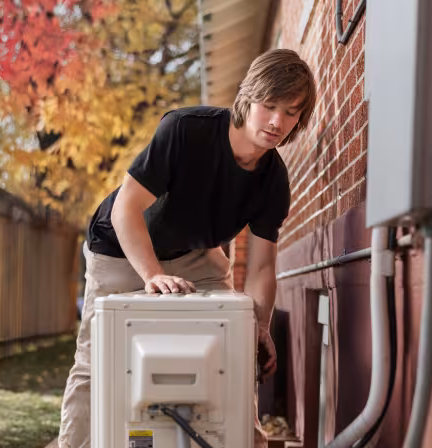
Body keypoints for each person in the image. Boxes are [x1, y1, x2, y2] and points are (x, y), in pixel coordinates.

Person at [58, 48, 316, 448]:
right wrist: (152, 276)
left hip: (195, 251)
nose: (277, 121)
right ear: (248, 99)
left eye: (291, 112)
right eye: (269, 106)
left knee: (238, 340)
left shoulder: (273, 181)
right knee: (97, 359)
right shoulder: (185, 130)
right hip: (121, 243)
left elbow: (263, 267)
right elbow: (127, 209)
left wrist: (260, 327)